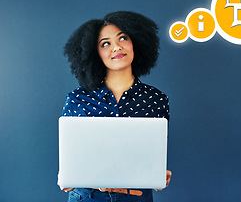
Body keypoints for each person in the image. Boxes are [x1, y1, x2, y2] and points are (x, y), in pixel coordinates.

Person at [59, 11, 172, 202]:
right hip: (87, 197)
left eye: (123, 38)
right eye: (105, 43)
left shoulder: (156, 99)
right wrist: (66, 175)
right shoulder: (77, 99)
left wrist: (159, 172)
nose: (116, 47)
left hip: (135, 197)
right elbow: (72, 157)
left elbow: (152, 155)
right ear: (94, 53)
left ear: (135, 42)